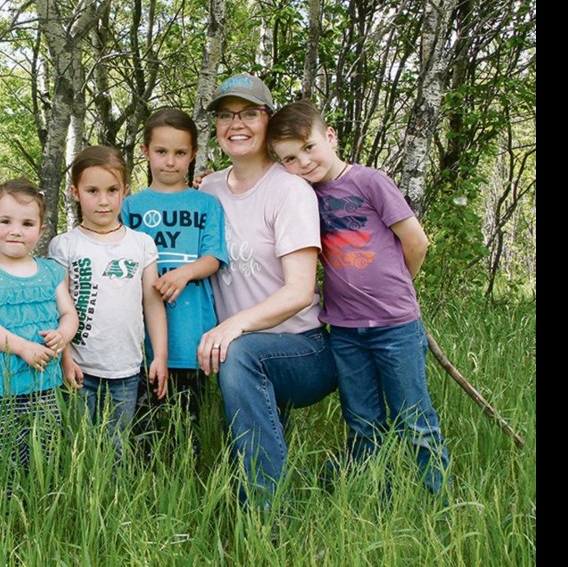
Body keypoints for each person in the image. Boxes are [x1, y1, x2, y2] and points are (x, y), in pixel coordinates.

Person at [266, 99, 449, 495]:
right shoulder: (302, 196)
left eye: (309, 148)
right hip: (346, 331)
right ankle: (373, 498)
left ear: (329, 136)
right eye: (291, 159)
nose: (304, 162)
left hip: (395, 326)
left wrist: (399, 287)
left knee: (413, 417)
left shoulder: (370, 181)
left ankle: (439, 501)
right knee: (362, 421)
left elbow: (416, 241)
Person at [196, 73, 338, 507]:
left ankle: (263, 515)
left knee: (239, 352)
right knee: (237, 355)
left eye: (249, 114)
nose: (236, 124)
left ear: (267, 120)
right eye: (225, 114)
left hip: (303, 350)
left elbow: (299, 292)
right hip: (244, 350)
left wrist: (232, 328)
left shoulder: (290, 191)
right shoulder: (209, 188)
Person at [48, 145, 169, 457]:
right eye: (92, 190)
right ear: (75, 192)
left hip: (126, 367)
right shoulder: (65, 246)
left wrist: (159, 356)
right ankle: (78, 502)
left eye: (112, 190)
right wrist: (64, 357)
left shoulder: (141, 244)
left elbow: (153, 304)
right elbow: (57, 309)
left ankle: (111, 501)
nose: (103, 200)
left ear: (125, 191)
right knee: (79, 446)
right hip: (79, 367)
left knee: (116, 446)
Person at [121, 108, 227, 455]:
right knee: (143, 432)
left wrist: (184, 273)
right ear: (145, 151)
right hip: (140, 338)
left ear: (193, 154)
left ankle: (186, 486)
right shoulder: (129, 207)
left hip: (191, 331)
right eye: (161, 152)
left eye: (180, 153)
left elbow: (214, 257)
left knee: (187, 428)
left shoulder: (206, 204)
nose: (170, 162)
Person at [0, 179, 79, 479]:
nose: (16, 230)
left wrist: (64, 334)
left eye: (27, 223)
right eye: (5, 221)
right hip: (4, 389)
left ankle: (43, 504)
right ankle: (10, 512)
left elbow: (68, 313)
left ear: (40, 232)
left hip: (47, 385)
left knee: (47, 454)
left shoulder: (51, 271)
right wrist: (23, 347)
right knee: (9, 459)